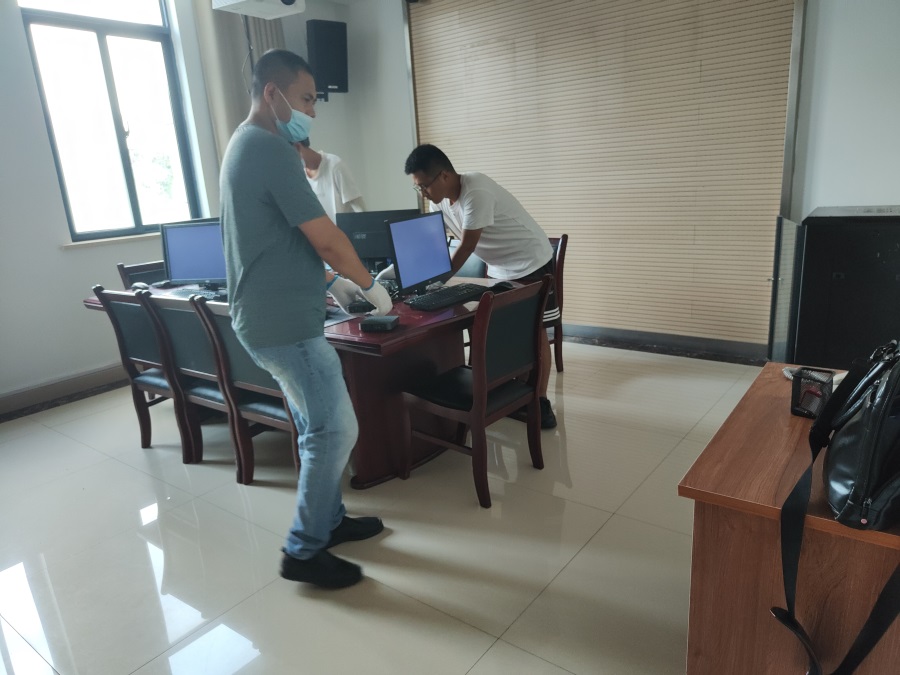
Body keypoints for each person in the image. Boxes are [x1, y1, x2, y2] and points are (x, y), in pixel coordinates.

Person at [220, 49, 393, 589]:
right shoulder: (269, 148)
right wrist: (370, 286)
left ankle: (329, 519)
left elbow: (279, 241)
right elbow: (326, 236)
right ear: (272, 93)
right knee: (335, 428)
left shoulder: (243, 143)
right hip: (284, 326)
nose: (312, 112)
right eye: (306, 99)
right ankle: (304, 549)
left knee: (315, 425)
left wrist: (331, 282)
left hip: (271, 316)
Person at [403, 144, 559, 429]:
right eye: (418, 187)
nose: (422, 193)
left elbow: (466, 246)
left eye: (424, 186)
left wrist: (435, 281)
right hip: (499, 269)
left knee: (533, 332)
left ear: (444, 176)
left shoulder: (476, 190)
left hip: (530, 262)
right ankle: (516, 393)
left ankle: (540, 403)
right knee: (503, 332)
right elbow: (437, 244)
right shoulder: (439, 201)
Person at [296, 141, 367, 222]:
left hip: (343, 229)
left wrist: (366, 227)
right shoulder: (299, 175)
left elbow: (357, 206)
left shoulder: (335, 165)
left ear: (298, 146)